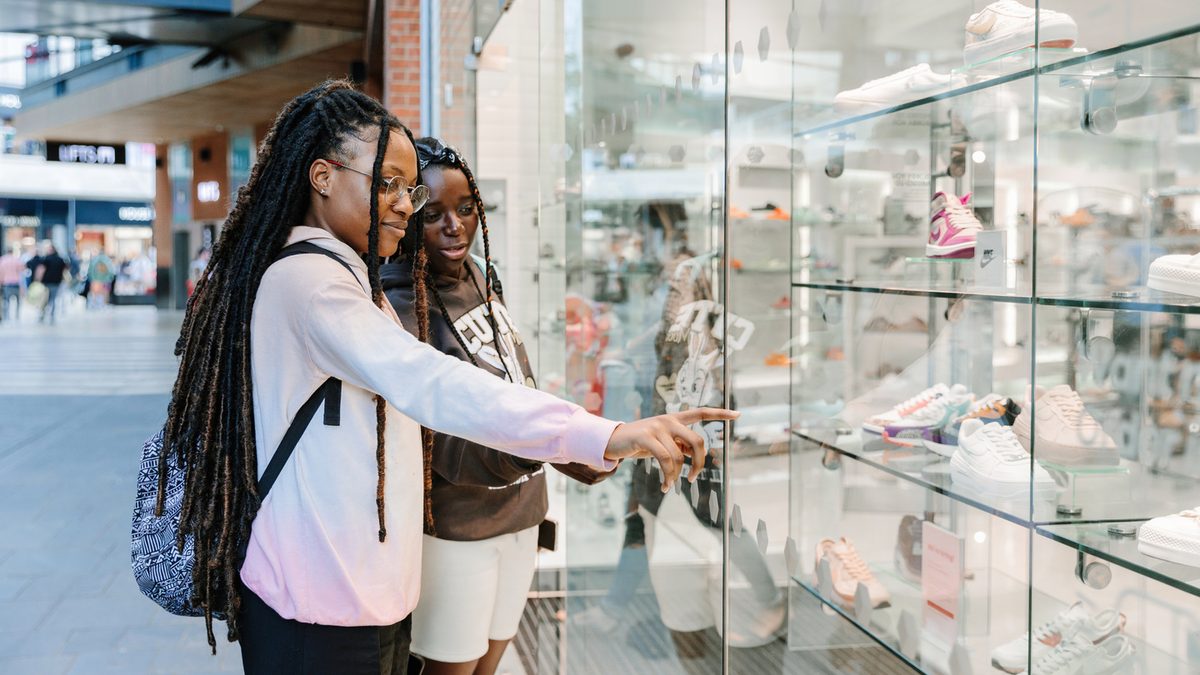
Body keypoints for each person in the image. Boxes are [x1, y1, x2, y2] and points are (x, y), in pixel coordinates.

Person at [159, 79, 734, 674]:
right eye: (387, 184)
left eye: (408, 189)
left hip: (359, 598)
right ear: (323, 177)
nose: (405, 205)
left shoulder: (351, 274)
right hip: (317, 607)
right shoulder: (310, 283)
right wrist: (604, 434)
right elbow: (433, 382)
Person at [380, 138, 612, 675]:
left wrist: (560, 438)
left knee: (493, 657)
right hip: (458, 525)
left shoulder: (483, 277)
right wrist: (549, 445)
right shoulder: (398, 303)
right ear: (409, 215)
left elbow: (515, 382)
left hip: (523, 512)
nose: (454, 226)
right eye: (432, 213)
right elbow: (440, 437)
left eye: (464, 209)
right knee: (451, 666)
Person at [31, 241, 68, 324]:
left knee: (44, 299)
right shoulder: (61, 259)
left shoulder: (46, 259)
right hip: (56, 282)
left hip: (46, 282)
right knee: (53, 299)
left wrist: (37, 280)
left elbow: (41, 270)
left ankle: (42, 314)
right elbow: (65, 270)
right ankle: (52, 315)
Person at [0, 244, 24, 321]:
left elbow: (1, 273)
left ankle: (7, 315)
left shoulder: (2, 260)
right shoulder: (17, 260)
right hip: (16, 283)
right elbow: (23, 270)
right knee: (18, 301)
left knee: (6, 301)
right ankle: (17, 315)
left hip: (6, 283)